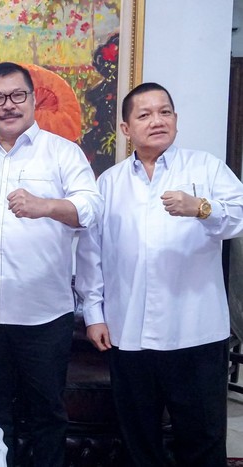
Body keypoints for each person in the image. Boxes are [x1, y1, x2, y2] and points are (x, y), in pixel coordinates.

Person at [75, 82, 243, 466]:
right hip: (129, 332)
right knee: (139, 441)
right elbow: (91, 253)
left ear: (176, 119)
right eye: (145, 114)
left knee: (203, 440)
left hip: (195, 330)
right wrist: (94, 314)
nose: (157, 121)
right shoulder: (109, 183)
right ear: (126, 128)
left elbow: (239, 215)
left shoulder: (205, 167)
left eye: (165, 112)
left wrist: (202, 208)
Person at [0, 62, 102, 465]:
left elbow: (90, 208)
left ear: (33, 99)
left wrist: (46, 206)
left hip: (44, 314)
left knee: (46, 413)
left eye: (17, 95)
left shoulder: (63, 153)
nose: (8, 105)